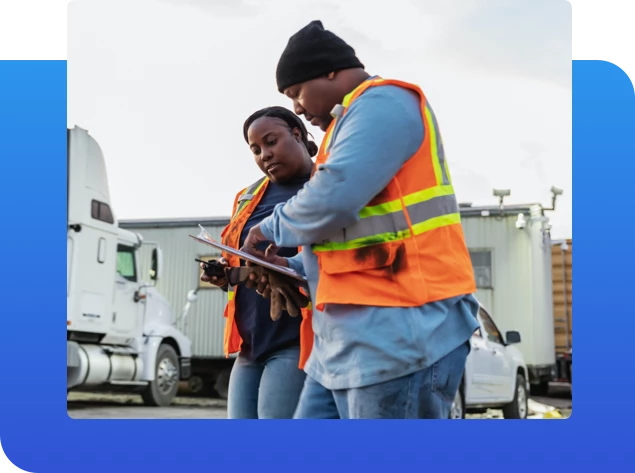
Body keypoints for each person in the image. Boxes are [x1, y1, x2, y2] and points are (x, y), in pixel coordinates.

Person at [240, 20, 481, 419]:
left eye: (296, 92)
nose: (296, 107)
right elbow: (348, 239)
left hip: (403, 332)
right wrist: (292, 266)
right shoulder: (346, 126)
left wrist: (266, 229)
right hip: (346, 344)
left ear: (330, 71)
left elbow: (331, 201)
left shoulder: (383, 103)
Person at [201, 106, 317, 419]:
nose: (264, 154)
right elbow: (246, 266)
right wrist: (225, 275)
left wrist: (290, 270)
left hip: (297, 337)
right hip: (251, 342)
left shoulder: (327, 188)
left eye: (271, 141)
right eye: (255, 149)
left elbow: (334, 260)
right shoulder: (247, 196)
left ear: (297, 134)